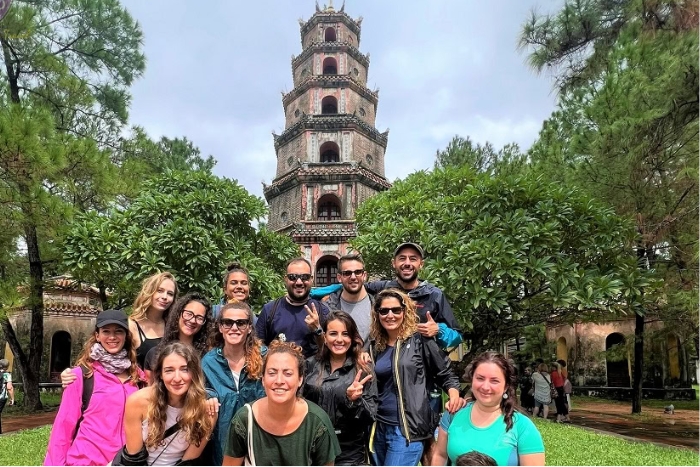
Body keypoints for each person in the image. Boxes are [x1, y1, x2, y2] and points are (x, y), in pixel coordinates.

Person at [368, 289, 464, 466]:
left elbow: (446, 373)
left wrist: (454, 396)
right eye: (384, 311)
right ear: (377, 314)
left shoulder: (420, 340)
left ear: (405, 311)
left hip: (407, 430)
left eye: (396, 310)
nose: (390, 315)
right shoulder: (375, 346)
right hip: (379, 427)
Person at [45, 309, 145, 466]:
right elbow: (63, 427)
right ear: (97, 335)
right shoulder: (81, 376)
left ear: (126, 336)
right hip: (87, 461)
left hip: (124, 462)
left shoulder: (138, 377)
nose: (112, 337)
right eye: (106, 331)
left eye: (118, 331)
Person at [222, 340, 341, 466]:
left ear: (300, 379)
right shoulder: (244, 420)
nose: (279, 380)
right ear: (263, 379)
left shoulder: (318, 422)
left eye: (288, 373)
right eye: (272, 373)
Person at [431, 352, 545, 466]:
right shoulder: (453, 414)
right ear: (472, 381)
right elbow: (440, 455)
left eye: (494, 381)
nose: (485, 387)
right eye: (480, 378)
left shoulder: (523, 427)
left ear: (505, 387)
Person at [119, 342, 215, 465]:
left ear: (194, 373)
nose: (177, 378)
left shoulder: (206, 411)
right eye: (169, 370)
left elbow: (187, 462)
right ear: (160, 374)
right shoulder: (138, 402)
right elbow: (133, 460)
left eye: (184, 369)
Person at [304, 310, 377, 465]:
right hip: (312, 447)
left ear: (352, 337)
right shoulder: (310, 365)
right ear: (325, 336)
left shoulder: (363, 369)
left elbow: (370, 416)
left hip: (348, 451)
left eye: (345, 334)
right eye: (333, 333)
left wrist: (354, 401)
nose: (339, 339)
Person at [202, 301, 266, 466]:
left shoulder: (265, 358)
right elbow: (199, 392)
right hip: (222, 445)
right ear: (221, 327)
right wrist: (208, 396)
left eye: (241, 323)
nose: (234, 327)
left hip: (259, 441)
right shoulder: (209, 362)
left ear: (249, 327)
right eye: (228, 322)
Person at [255, 258, 330, 358]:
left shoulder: (322, 310)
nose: (299, 282)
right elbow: (257, 345)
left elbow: (330, 350)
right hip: (279, 371)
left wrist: (318, 330)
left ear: (312, 279)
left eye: (304, 277)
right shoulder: (270, 310)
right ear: (285, 279)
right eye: (292, 277)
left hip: (312, 373)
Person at [144, 292, 212, 380]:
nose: (192, 320)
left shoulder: (207, 357)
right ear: (178, 314)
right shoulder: (155, 354)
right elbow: (151, 390)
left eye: (199, 318)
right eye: (188, 314)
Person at [129, 272, 179, 369]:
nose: (165, 297)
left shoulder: (173, 326)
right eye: (160, 290)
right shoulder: (132, 325)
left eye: (170, 294)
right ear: (149, 291)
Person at [323, 254, 374, 343]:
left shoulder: (379, 305)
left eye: (357, 272)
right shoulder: (327, 308)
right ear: (339, 277)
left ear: (364, 275)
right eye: (347, 273)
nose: (353, 277)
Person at [0, 359, 14, 434]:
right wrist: (12, 399)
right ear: (7, 366)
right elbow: (9, 387)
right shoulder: (7, 375)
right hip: (2, 397)